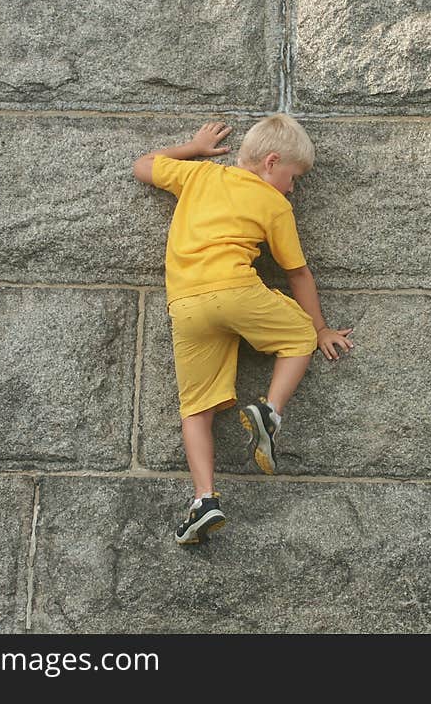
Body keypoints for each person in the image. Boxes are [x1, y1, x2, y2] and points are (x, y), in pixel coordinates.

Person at [132, 115, 353, 544]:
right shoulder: (275, 204)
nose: (294, 188)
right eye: (294, 178)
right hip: (235, 291)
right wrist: (322, 328)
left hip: (186, 305)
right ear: (272, 162)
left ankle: (204, 500)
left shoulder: (198, 175)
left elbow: (144, 165)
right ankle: (269, 412)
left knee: (195, 408)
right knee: (298, 337)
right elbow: (298, 273)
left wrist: (195, 147)